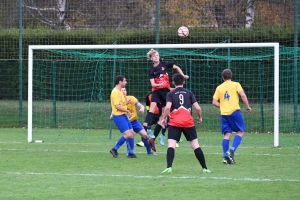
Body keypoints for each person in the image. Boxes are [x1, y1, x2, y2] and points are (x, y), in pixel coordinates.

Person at [160, 73, 211, 174]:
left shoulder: (170, 94)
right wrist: (200, 117)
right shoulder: (189, 93)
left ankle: (169, 167)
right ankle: (205, 168)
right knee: (195, 145)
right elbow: (198, 108)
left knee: (171, 145)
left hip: (175, 123)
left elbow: (167, 108)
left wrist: (164, 118)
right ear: (183, 82)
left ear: (173, 82)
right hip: (188, 122)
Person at [143, 49, 189, 144]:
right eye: (154, 56)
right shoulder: (151, 70)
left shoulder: (165, 64)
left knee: (165, 114)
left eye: (157, 55)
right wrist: (161, 84)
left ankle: (158, 136)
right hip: (156, 91)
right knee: (152, 108)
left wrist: (183, 75)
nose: (157, 57)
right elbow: (153, 84)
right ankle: (147, 127)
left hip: (165, 93)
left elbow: (176, 67)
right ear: (151, 58)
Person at [212, 69, 252, 164]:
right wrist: (247, 106)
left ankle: (225, 157)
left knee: (227, 134)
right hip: (234, 112)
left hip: (224, 114)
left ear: (223, 77)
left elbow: (214, 102)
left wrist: (223, 106)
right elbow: (242, 95)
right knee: (241, 131)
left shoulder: (219, 87)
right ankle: (232, 150)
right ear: (231, 76)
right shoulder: (236, 84)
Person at [117, 87, 156, 154]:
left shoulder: (131, 98)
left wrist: (142, 108)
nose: (123, 91)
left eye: (124, 90)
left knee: (145, 135)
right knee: (129, 135)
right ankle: (129, 152)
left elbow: (140, 105)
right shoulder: (119, 102)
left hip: (134, 122)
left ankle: (149, 151)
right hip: (127, 122)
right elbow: (116, 110)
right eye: (121, 90)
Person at [109, 75, 136, 158]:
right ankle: (114, 149)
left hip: (123, 115)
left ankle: (130, 153)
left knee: (132, 133)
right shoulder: (115, 92)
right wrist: (127, 111)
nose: (126, 82)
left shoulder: (120, 91)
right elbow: (117, 106)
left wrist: (127, 101)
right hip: (118, 116)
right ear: (120, 82)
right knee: (127, 134)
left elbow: (123, 103)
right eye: (124, 80)